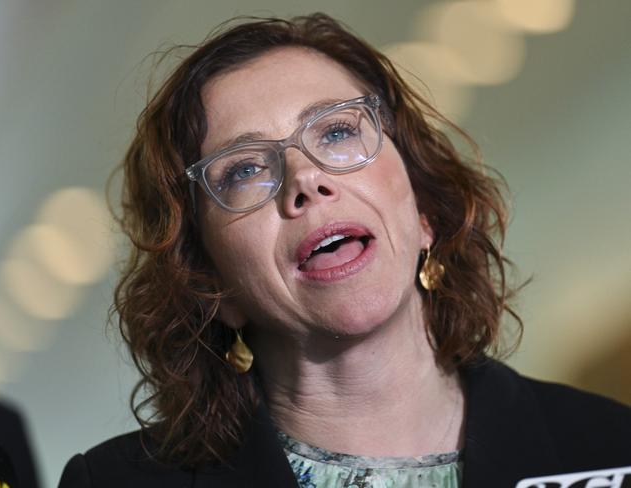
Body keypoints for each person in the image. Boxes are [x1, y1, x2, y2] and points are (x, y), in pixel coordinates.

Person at [58, 13, 631, 488]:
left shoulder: (610, 447)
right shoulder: (112, 482)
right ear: (208, 279)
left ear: (426, 212)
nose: (305, 180)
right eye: (246, 169)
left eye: (335, 132)